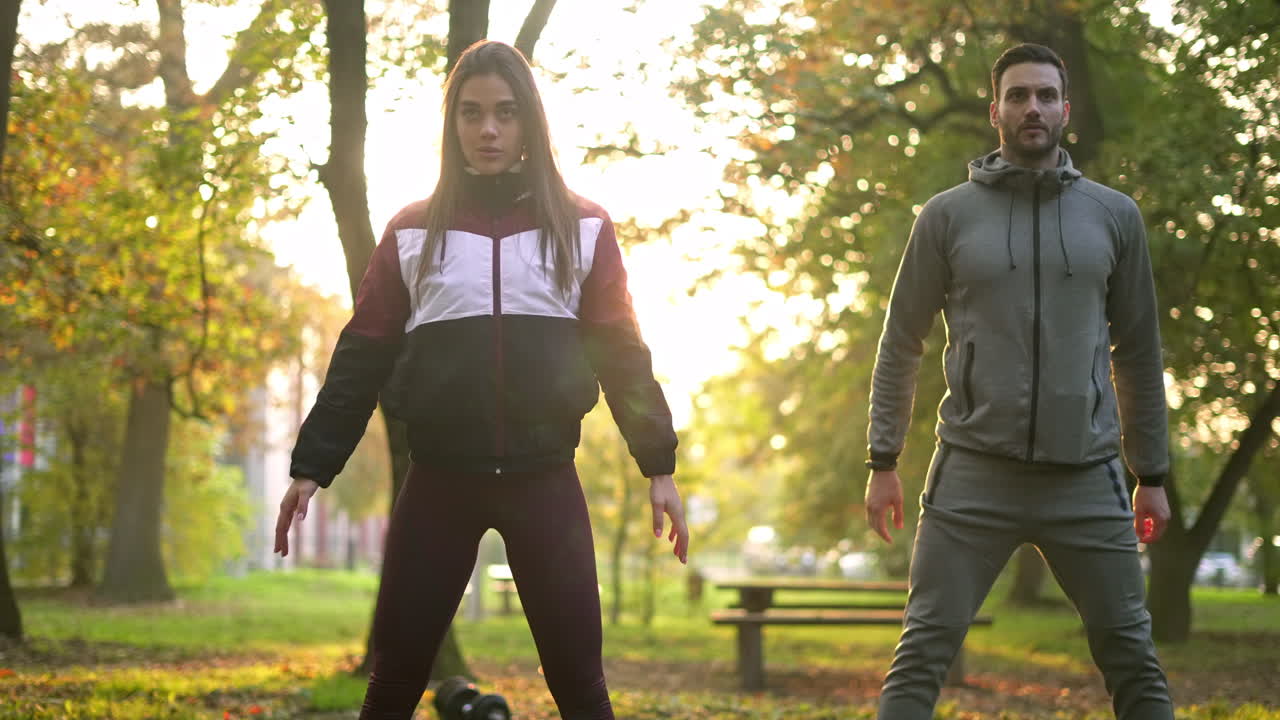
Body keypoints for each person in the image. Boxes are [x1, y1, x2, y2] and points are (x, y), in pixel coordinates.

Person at [272, 40, 689, 720]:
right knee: (395, 681)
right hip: (439, 483)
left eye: (504, 112)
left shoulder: (583, 228)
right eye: (471, 114)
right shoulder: (412, 231)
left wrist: (659, 466)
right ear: (452, 125)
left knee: (582, 687)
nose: (488, 129)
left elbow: (622, 354)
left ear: (529, 121)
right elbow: (362, 355)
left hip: (544, 479)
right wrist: (310, 466)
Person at [863, 43, 1174, 720]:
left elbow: (1139, 350)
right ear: (995, 110)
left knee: (1133, 659)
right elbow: (901, 342)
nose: (1032, 107)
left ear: (1066, 108)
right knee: (920, 657)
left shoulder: (1114, 217)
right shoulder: (945, 217)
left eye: (1045, 95)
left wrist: (1151, 472)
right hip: (973, 476)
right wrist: (882, 459)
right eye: (1017, 95)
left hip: (1088, 477)